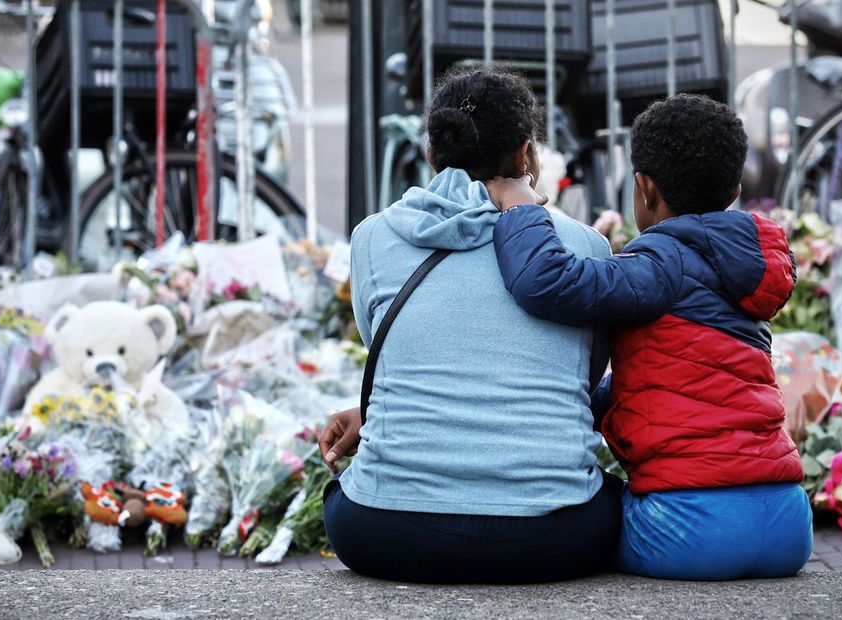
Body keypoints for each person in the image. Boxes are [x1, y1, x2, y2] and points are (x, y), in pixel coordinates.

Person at [485, 93, 813, 580]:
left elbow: (546, 281)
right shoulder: (749, 274)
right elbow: (677, 378)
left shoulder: (660, 265)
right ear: (735, 190)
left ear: (645, 189)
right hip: (789, 521)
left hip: (691, 527)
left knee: (581, 518)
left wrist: (519, 207)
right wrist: (578, 401)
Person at [317, 66, 621, 584]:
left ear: (434, 155)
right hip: (554, 538)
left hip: (385, 533)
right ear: (527, 155)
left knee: (338, 497)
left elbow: (398, 353)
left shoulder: (373, 238)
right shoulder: (586, 247)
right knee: (612, 499)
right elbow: (580, 377)